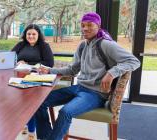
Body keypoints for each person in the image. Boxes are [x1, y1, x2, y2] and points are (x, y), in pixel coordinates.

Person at [34, 12, 140, 140]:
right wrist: (50, 71)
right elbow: (72, 69)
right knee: (38, 102)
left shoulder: (106, 44)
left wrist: (111, 73)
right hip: (79, 87)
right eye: (83, 25)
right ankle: (45, 137)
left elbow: (134, 61)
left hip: (95, 94)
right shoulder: (83, 45)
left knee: (65, 112)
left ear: (98, 26)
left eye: (90, 25)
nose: (85, 28)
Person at [11, 24, 54, 139]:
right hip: (20, 78)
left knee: (32, 106)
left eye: (33, 34)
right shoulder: (21, 45)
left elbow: (49, 63)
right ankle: (25, 125)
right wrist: (18, 61)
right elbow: (10, 56)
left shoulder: (44, 46)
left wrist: (28, 65)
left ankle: (31, 133)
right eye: (28, 34)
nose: (31, 36)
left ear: (38, 35)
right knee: (22, 105)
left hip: (37, 80)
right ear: (25, 35)